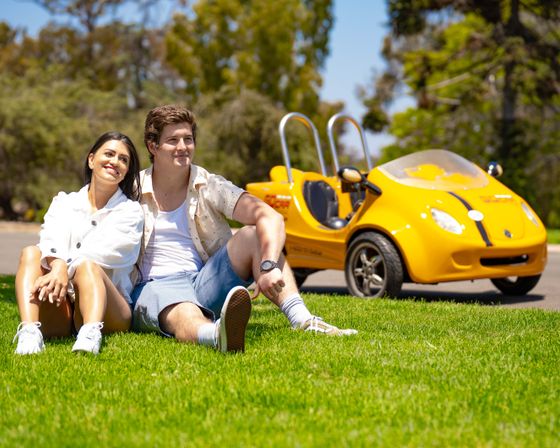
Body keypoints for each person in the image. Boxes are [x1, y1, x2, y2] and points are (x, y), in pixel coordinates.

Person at [131, 105, 357, 353]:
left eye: (188, 139)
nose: (183, 147)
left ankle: (302, 319)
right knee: (184, 310)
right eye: (173, 140)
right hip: (156, 285)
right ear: (153, 147)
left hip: (202, 281)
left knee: (252, 235)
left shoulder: (207, 184)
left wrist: (269, 265)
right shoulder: (132, 190)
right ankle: (215, 334)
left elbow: (269, 216)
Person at [12, 131, 145, 355]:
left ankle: (90, 335)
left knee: (88, 266)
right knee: (31, 253)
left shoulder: (131, 212)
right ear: (91, 159)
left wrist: (62, 266)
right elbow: (50, 238)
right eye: (109, 154)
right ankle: (29, 333)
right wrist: (57, 265)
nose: (115, 162)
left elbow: (104, 253)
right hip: (61, 303)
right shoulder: (64, 202)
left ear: (126, 172)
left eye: (123, 159)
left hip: (110, 311)